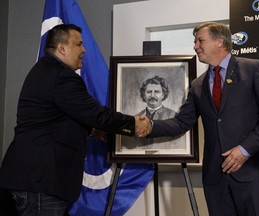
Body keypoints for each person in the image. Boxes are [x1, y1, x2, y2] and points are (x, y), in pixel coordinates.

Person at [0, 24, 151, 216]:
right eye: (79, 44)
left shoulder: (45, 70)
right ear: (62, 48)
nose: (84, 50)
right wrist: (133, 124)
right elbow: (95, 113)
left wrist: (91, 130)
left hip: (34, 179)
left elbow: (55, 117)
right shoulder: (61, 75)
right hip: (41, 181)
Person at [140, 22, 259, 216]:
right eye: (195, 41)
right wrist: (149, 126)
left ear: (220, 42)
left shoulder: (252, 68)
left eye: (200, 41)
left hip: (251, 173)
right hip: (216, 178)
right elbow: (181, 122)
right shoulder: (198, 85)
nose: (195, 46)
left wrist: (244, 150)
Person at [122, 75, 185, 150]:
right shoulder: (137, 117)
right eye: (149, 92)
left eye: (157, 92)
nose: (152, 95)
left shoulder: (174, 116)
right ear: (144, 95)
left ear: (163, 94)